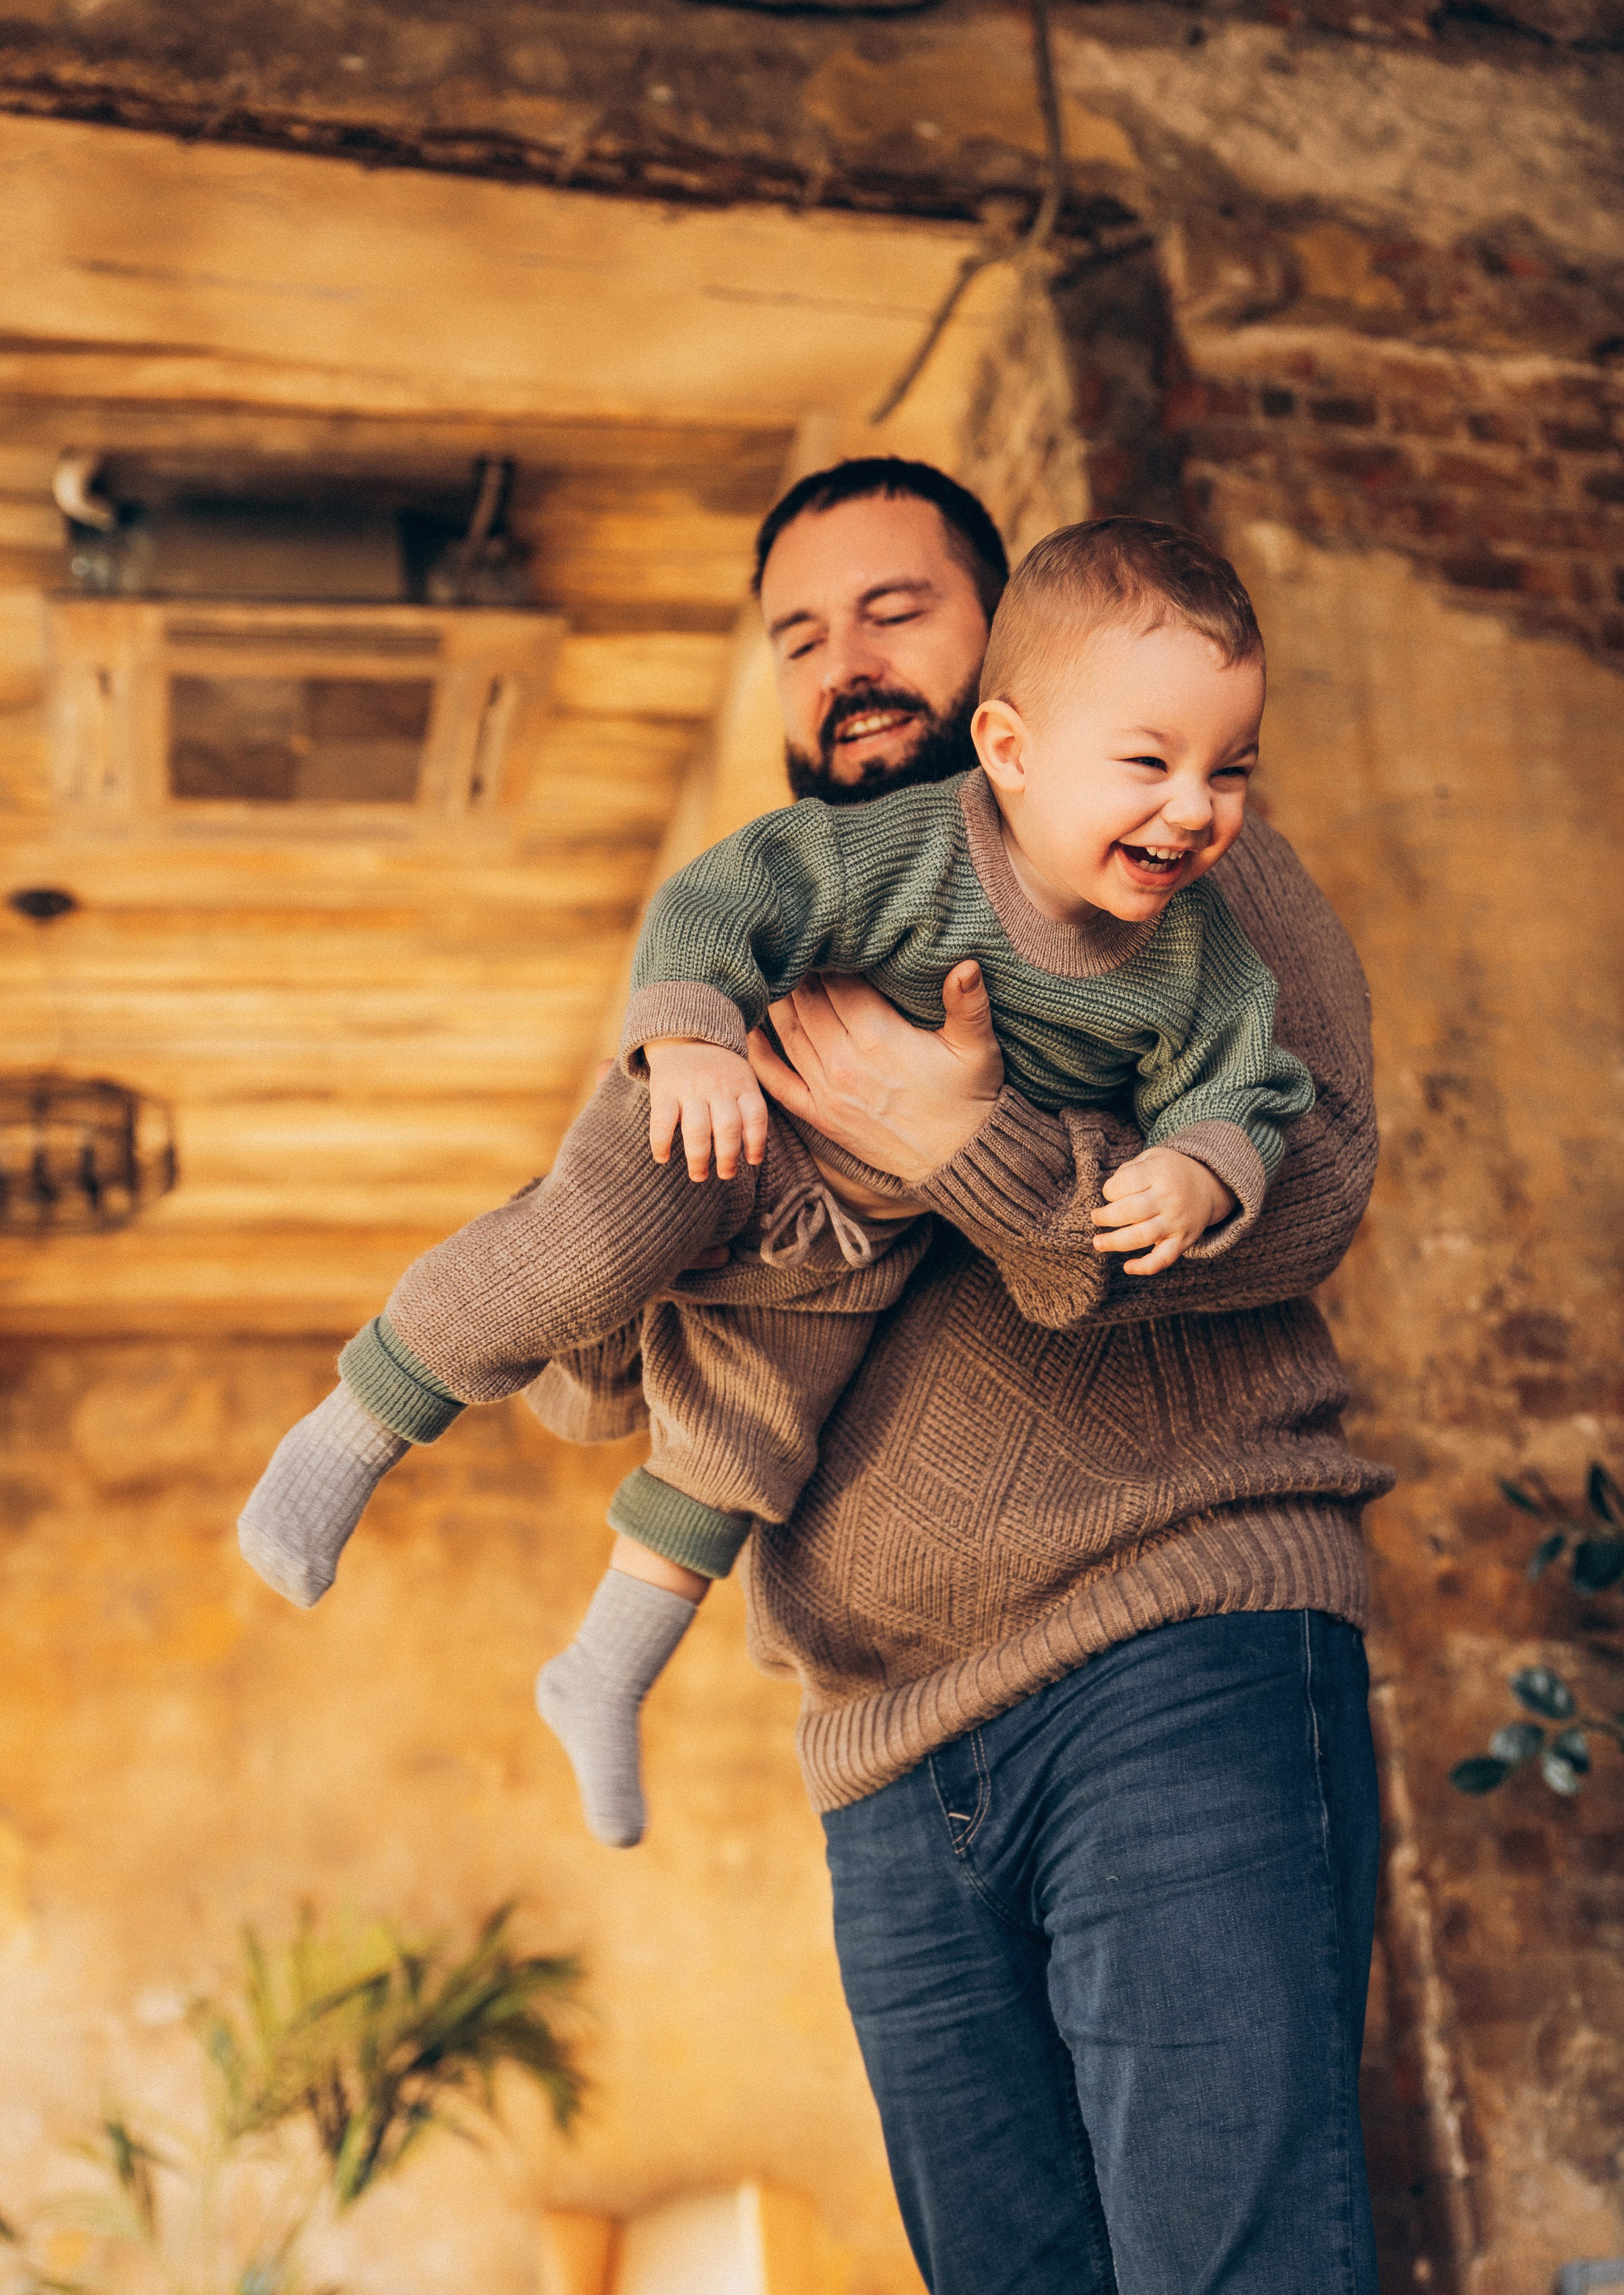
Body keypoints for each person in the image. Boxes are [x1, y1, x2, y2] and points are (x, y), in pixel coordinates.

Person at [248, 457, 1392, 2294]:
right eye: (800, 635)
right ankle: (404, 1455)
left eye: (896, 611)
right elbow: (587, 1382)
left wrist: (965, 1143)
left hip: (1171, 1651)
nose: (845, 664)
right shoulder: (755, 939)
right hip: (879, 1753)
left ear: (1007, 667)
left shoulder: (1196, 883)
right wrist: (762, 1190)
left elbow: (1306, 1197)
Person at [238, 512, 1316, 1853]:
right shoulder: (903, 846)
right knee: (573, 1254)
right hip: (723, 1126)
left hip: (860, 1248)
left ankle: (606, 1667)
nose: (1194, 807)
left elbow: (1251, 1090)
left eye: (1232, 770)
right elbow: (721, 898)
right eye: (1152, 763)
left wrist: (1196, 1170)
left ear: (981, 642)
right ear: (1012, 745)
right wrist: (688, 1042)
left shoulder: (1208, 932)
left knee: (748, 1433)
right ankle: (347, 1429)